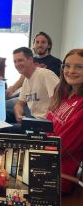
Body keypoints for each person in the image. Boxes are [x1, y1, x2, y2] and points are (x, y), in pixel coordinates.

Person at [46, 49, 83, 194]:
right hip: (42, 153)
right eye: (67, 66)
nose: (71, 71)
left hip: (56, 175)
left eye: (79, 67)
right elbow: (47, 125)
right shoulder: (63, 92)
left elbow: (60, 147)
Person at [8, 47, 59, 123]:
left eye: (20, 60)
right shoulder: (26, 79)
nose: (17, 64)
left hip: (44, 123)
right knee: (3, 115)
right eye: (15, 61)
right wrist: (18, 115)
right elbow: (19, 104)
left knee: (4, 130)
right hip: (32, 118)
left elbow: (57, 102)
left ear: (30, 60)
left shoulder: (45, 74)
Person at [6, 31, 62, 98]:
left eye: (43, 42)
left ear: (49, 45)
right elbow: (22, 78)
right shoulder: (30, 60)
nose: (39, 45)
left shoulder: (56, 62)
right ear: (34, 44)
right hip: (26, 93)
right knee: (3, 97)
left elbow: (59, 85)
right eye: (37, 42)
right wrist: (12, 89)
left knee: (6, 105)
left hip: (41, 98)